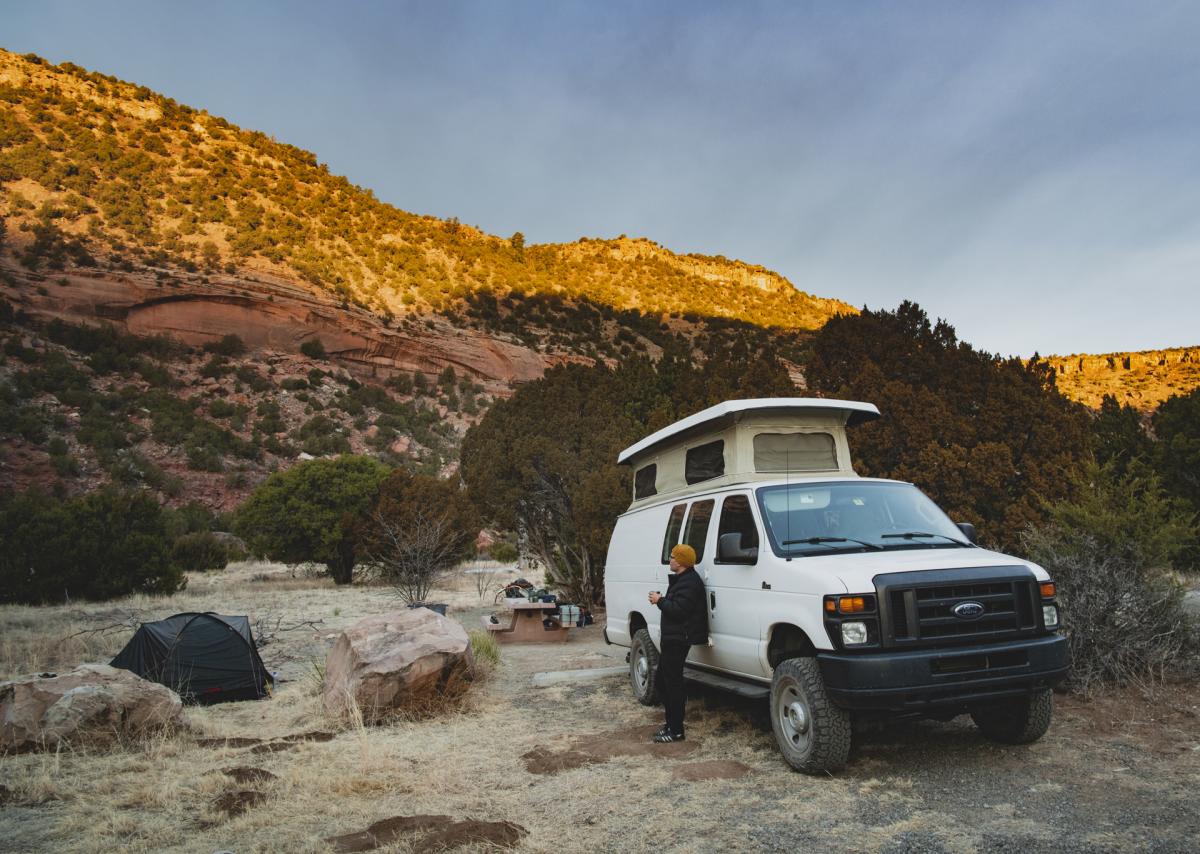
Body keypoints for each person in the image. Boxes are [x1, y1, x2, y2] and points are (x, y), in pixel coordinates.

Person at [647, 543, 708, 743]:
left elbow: (680, 610)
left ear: (681, 561)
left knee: (672, 685)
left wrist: (660, 601)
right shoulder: (682, 580)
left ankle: (676, 731)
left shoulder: (690, 582)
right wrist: (663, 600)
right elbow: (678, 605)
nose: (670, 559)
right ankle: (670, 725)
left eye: (673, 557)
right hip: (672, 638)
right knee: (663, 682)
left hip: (678, 639)